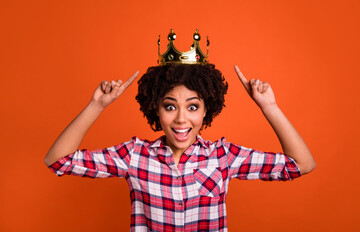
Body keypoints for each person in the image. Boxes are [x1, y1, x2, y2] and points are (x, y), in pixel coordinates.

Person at [45, 51, 315, 232]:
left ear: (207, 109)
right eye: (170, 106)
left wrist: (269, 107)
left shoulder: (223, 157)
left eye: (193, 107)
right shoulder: (134, 156)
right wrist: (96, 105)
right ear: (155, 109)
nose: (181, 119)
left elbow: (301, 164)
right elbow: (58, 160)